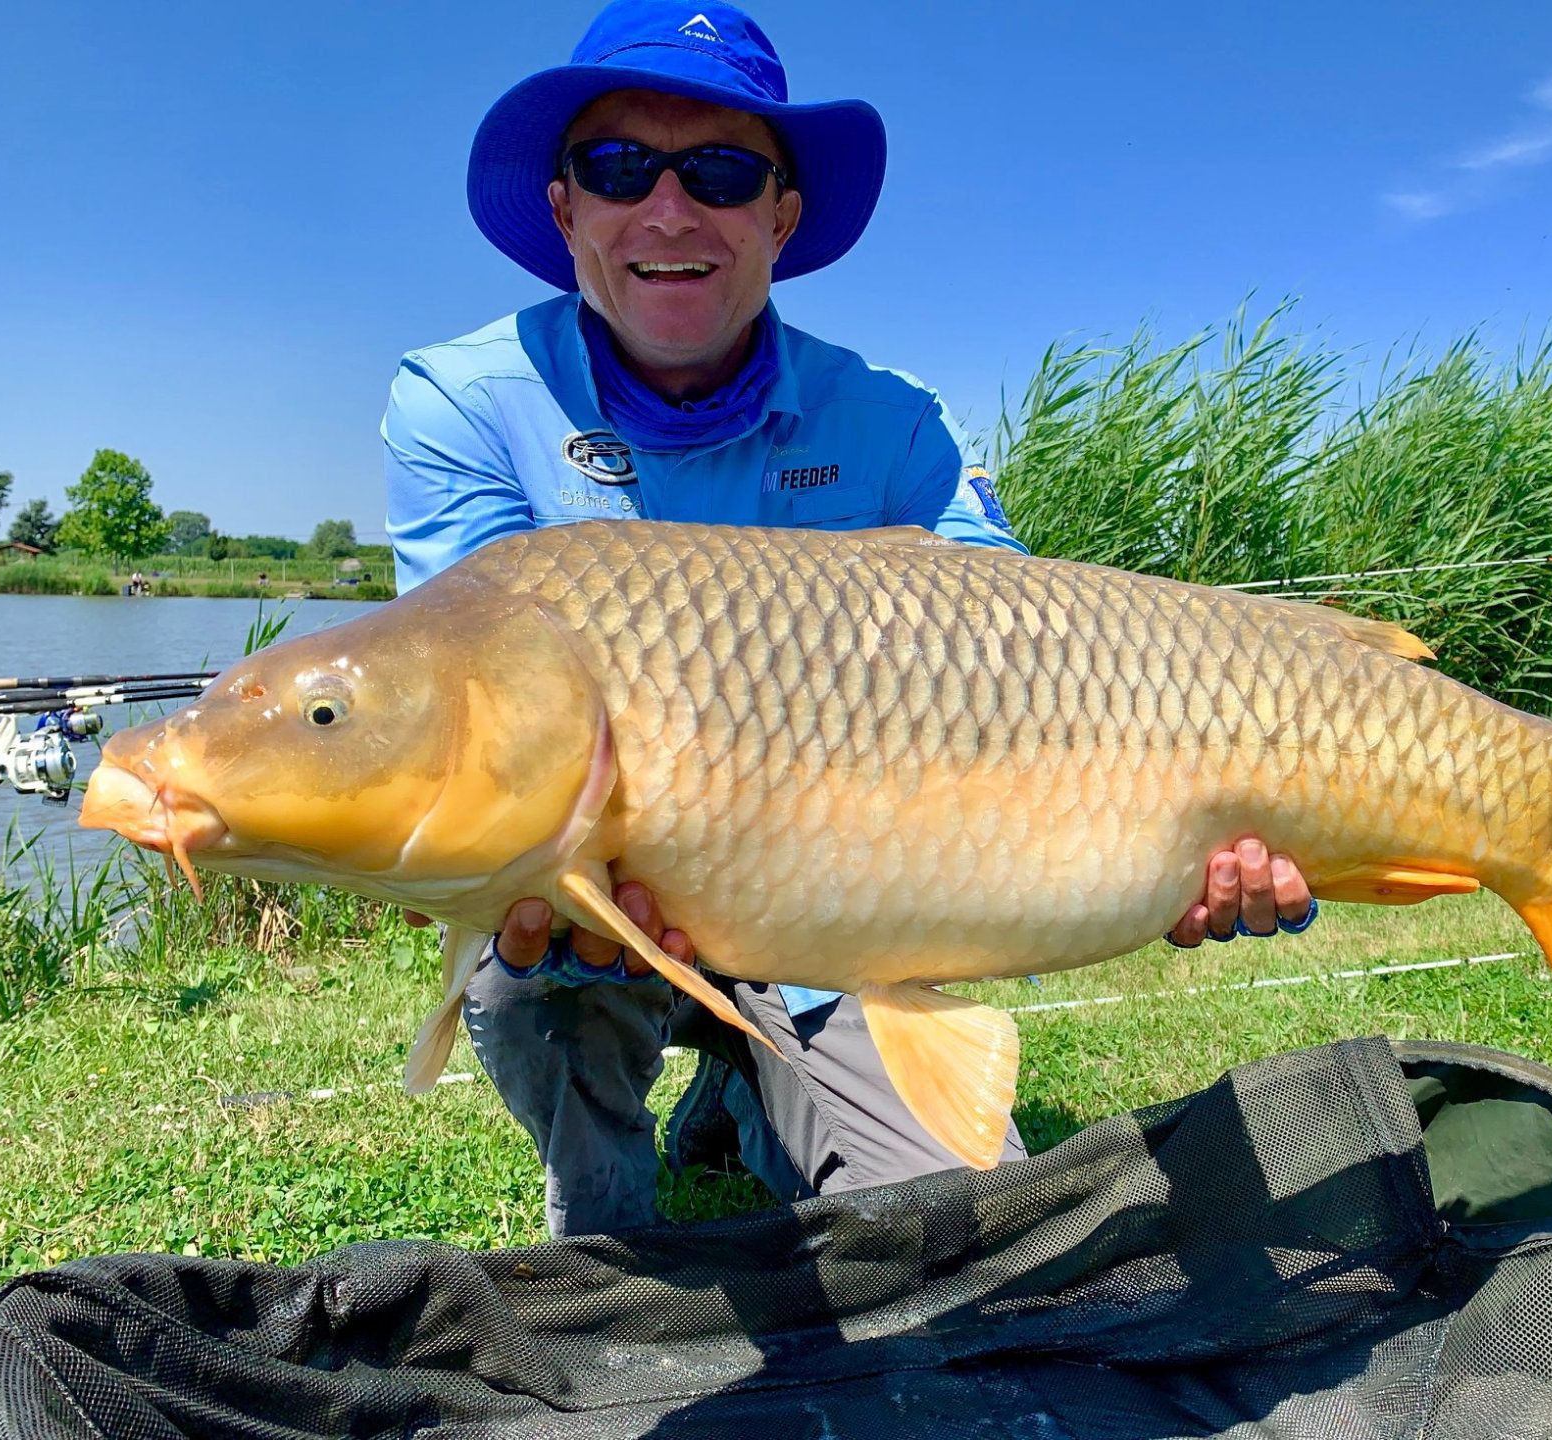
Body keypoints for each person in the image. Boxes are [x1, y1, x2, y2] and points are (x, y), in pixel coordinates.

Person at [384, 0, 1317, 1239]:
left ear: (781, 214)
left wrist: (1205, 827)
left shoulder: (891, 422)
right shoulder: (462, 402)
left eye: (720, 172)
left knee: (943, 1224)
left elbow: (1039, 671)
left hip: (844, 910)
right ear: (565, 209)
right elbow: (465, 710)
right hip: (595, 899)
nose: (669, 210)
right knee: (536, 957)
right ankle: (605, 1248)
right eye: (619, 168)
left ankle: (752, 1083)